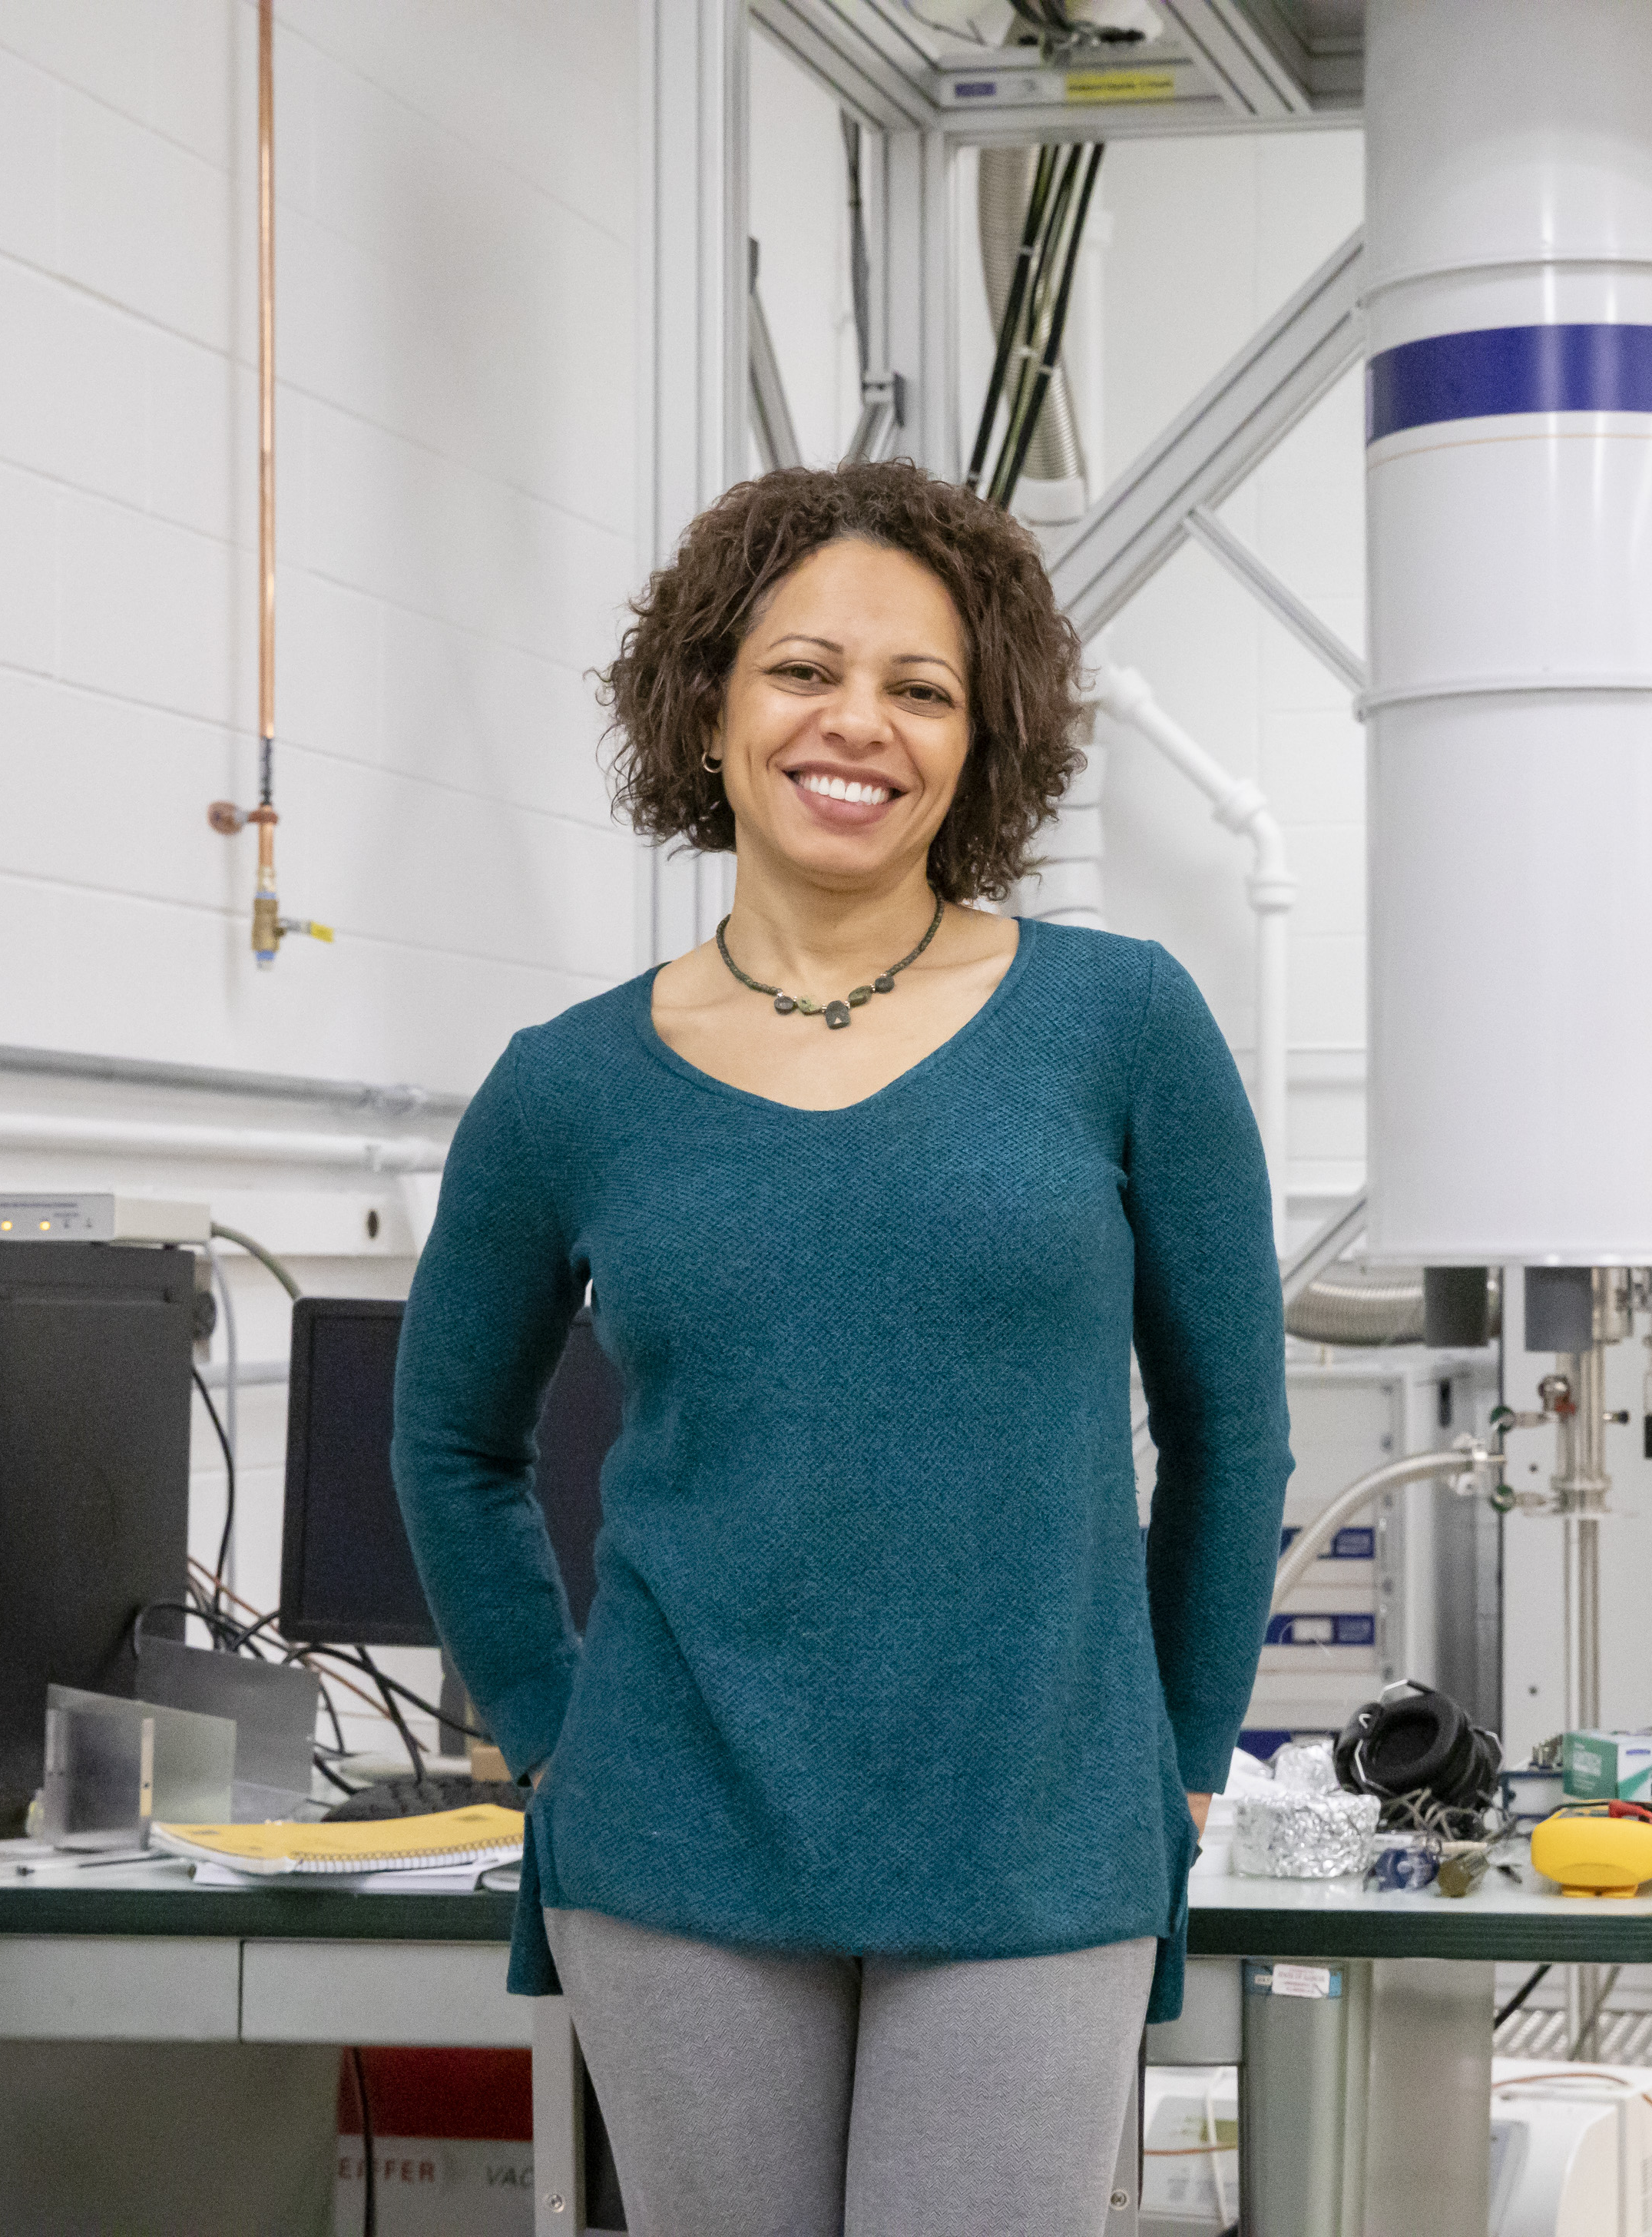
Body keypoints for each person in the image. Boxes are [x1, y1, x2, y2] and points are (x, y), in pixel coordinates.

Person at [392, 460, 1293, 2235]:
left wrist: (1179, 1752)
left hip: (1036, 1826)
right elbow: (451, 1444)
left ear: (983, 741)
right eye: (805, 668)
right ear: (710, 699)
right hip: (674, 1831)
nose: (856, 724)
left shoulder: (1122, 1026)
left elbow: (1232, 1425)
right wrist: (560, 1730)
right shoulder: (566, 1084)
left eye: (922, 687)